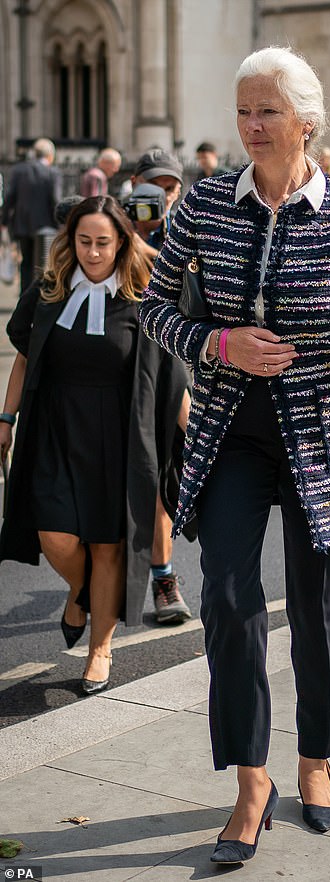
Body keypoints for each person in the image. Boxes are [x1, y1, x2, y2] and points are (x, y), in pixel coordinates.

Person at [140, 45, 330, 864]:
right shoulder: (208, 204)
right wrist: (217, 340)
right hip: (231, 431)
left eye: (268, 112)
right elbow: (152, 306)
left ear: (305, 122)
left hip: (325, 435)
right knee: (225, 595)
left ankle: (316, 758)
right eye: (244, 111)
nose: (252, 126)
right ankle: (251, 782)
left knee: (321, 615)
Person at [0, 196, 162, 694]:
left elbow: (166, 376)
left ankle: (100, 650)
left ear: (122, 243)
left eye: (103, 243)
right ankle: (80, 588)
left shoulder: (141, 296)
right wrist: (5, 418)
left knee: (107, 544)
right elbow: (25, 358)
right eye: (84, 242)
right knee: (56, 536)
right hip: (53, 429)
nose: (92, 253)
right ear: (71, 242)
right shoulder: (48, 290)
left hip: (115, 436)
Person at [129, 153, 193, 623]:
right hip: (119, 373)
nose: (165, 195)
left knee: (160, 476)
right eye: (156, 186)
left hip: (168, 371)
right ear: (134, 185)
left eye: (171, 187)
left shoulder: (186, 232)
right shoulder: (112, 225)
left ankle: (164, 579)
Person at [0, 138, 62, 292]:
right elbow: (55, 199)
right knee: (42, 264)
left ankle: (25, 295)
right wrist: (62, 223)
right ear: (50, 155)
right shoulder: (52, 172)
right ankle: (40, 296)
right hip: (46, 226)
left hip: (22, 224)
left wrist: (4, 220)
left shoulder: (19, 170)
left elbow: (10, 198)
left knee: (26, 262)